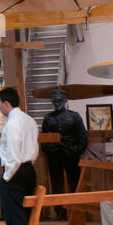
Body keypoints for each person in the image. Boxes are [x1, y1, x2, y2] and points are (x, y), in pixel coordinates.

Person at [0, 87, 39, 225]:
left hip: (15, 172)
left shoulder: (12, 124)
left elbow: (13, 154)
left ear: (6, 103)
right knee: (28, 216)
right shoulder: (29, 120)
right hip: (29, 169)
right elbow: (34, 148)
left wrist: (7, 177)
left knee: (15, 217)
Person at [41, 88, 87, 217]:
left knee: (75, 182)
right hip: (54, 155)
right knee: (56, 183)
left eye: (59, 100)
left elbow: (82, 137)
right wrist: (48, 150)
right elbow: (43, 138)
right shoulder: (48, 118)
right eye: (54, 101)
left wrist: (76, 151)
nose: (57, 103)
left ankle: (76, 210)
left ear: (65, 100)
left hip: (71, 154)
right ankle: (59, 212)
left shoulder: (74, 116)